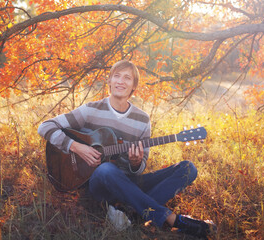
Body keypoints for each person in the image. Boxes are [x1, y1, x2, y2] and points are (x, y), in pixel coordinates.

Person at [38, 60, 216, 238]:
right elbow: (45, 126)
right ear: (109, 81)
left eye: (127, 78)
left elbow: (140, 167)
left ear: (133, 87)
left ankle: (128, 213)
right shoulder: (91, 110)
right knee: (106, 169)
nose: (120, 81)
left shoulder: (142, 120)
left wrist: (135, 162)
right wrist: (76, 147)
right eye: (116, 76)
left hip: (129, 183)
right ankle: (171, 219)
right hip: (97, 187)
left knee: (188, 169)